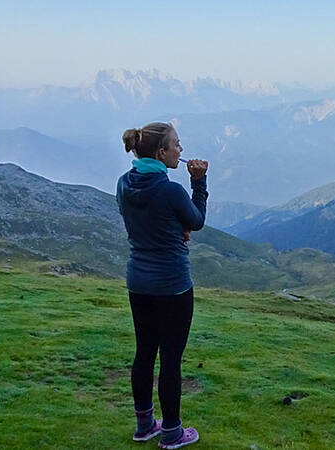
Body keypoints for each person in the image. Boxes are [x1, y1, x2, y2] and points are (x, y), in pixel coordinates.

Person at [117, 122, 208, 448]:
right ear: (161, 152)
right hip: (172, 284)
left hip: (138, 281)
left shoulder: (124, 183)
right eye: (177, 145)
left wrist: (171, 229)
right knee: (170, 359)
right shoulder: (170, 190)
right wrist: (199, 183)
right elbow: (195, 221)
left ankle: (144, 426)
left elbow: (136, 226)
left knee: (144, 352)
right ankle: (171, 432)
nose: (181, 151)